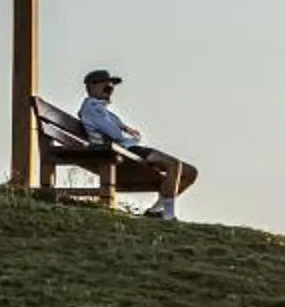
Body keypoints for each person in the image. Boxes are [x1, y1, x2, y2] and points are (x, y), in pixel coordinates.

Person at [75, 69, 197, 220]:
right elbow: (117, 135)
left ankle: (155, 211)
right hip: (124, 152)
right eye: (106, 85)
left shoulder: (103, 110)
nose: (110, 88)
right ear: (92, 87)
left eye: (112, 86)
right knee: (173, 165)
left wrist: (129, 133)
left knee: (190, 172)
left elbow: (123, 131)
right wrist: (132, 137)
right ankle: (168, 216)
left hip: (126, 150)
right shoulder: (93, 109)